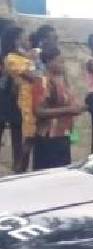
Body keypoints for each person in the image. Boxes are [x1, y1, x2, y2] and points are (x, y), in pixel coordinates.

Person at [32, 47, 85, 170]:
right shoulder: (42, 81)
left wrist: (73, 135)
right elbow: (38, 111)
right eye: (59, 61)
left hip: (63, 135)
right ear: (50, 62)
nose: (63, 65)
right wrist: (69, 110)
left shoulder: (60, 81)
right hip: (49, 137)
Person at [2, 26, 37, 173]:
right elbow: (31, 76)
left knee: (24, 138)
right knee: (19, 139)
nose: (26, 38)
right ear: (16, 39)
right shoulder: (10, 57)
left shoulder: (24, 56)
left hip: (25, 102)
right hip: (12, 102)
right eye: (23, 35)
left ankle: (20, 170)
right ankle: (18, 170)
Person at [0, 18, 22, 171]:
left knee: (17, 134)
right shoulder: (8, 58)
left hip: (14, 99)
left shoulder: (19, 56)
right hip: (6, 97)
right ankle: (17, 167)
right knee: (16, 135)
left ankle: (18, 167)